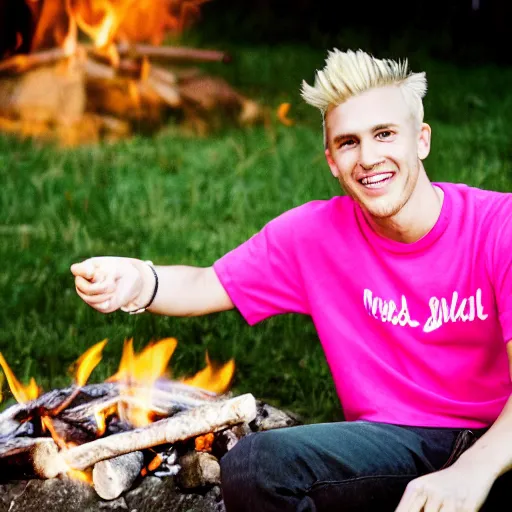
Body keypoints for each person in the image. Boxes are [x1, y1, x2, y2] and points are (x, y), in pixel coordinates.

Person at [71, 49, 512, 511]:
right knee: (255, 465)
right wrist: (137, 281)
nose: (368, 158)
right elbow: (206, 284)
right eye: (348, 143)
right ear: (331, 161)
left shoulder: (497, 227)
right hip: (392, 447)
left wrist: (472, 471)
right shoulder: (313, 236)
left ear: (421, 140)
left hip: (500, 444)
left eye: (384, 134)